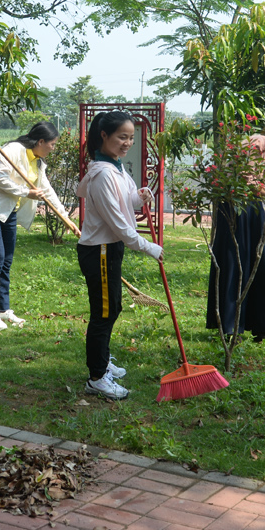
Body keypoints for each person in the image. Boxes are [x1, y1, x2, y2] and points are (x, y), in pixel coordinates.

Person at [76, 110, 163, 400]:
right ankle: (97, 377)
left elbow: (124, 204)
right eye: (121, 137)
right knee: (103, 312)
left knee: (112, 308)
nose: (127, 143)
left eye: (130, 137)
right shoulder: (101, 175)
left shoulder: (114, 167)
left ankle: (103, 361)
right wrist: (149, 247)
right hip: (100, 249)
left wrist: (140, 197)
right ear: (104, 136)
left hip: (109, 248)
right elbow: (120, 224)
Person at [204, 117, 265, 343]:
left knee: (258, 268)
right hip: (234, 207)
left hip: (255, 209)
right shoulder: (256, 144)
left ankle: (260, 327)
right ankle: (231, 329)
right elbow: (248, 181)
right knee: (234, 266)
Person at [0, 122, 63, 330]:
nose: (53, 148)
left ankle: (3, 309)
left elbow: (46, 190)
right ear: (41, 141)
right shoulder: (12, 150)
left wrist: (64, 215)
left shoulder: (39, 162)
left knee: (6, 261)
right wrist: (26, 192)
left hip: (9, 213)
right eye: (52, 144)